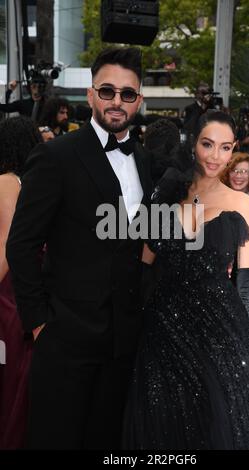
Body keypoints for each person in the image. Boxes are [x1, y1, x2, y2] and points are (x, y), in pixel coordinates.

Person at [123, 110, 249, 449]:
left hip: (217, 330)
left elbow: (247, 287)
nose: (216, 156)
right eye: (208, 144)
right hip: (164, 328)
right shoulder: (168, 193)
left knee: (221, 420)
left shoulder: (243, 203)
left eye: (225, 147)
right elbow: (143, 264)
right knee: (167, 420)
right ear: (193, 144)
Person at [6, 47, 152, 449]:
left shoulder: (144, 161)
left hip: (123, 344)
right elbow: (21, 246)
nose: (116, 102)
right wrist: (41, 325)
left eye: (127, 94)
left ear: (139, 100)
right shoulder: (56, 156)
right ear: (90, 95)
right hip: (65, 341)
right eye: (107, 91)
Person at [0, 116, 41, 449]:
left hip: (8, 294)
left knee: (9, 381)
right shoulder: (41, 182)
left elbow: (7, 246)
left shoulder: (6, 183)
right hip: (36, 293)